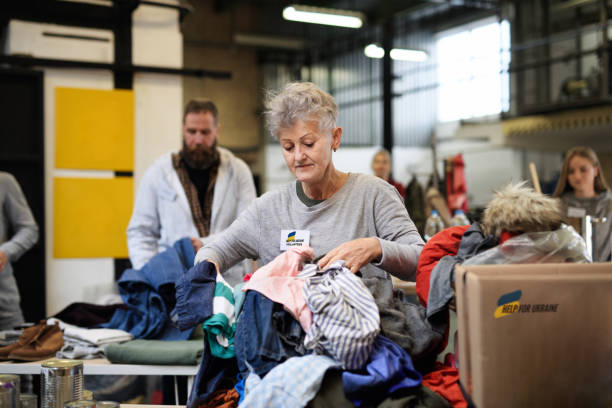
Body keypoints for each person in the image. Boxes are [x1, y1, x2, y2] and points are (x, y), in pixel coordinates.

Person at [194, 82, 424, 307]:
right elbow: (216, 250)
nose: (298, 156)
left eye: (308, 143)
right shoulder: (268, 210)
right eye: (288, 147)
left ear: (335, 138)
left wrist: (375, 247)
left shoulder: (374, 196)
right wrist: (207, 272)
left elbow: (421, 260)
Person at [127, 98, 257, 281]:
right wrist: (150, 274)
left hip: (228, 278)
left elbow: (249, 228)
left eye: (205, 132)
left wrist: (204, 244)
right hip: (174, 281)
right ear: (182, 130)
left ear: (217, 131)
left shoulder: (237, 171)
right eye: (191, 131)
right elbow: (140, 232)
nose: (198, 140)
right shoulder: (159, 172)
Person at [552, 146, 612, 262]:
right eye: (571, 171)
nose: (577, 176)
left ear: (596, 170)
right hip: (568, 274)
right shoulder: (557, 207)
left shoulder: (609, 206)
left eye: (583, 169)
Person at [0, 172, 39, 330]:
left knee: (16, 350)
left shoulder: (4, 181)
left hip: (4, 305)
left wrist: (5, 252)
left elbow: (29, 229)